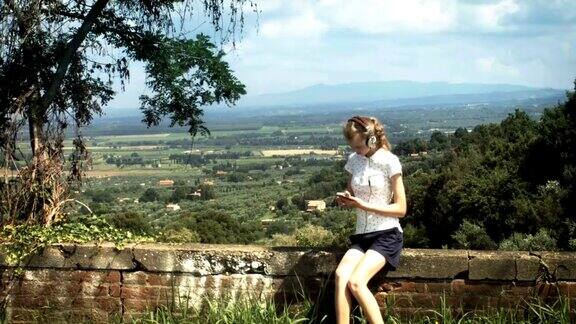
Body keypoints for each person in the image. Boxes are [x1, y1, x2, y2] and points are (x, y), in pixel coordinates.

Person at [334, 115, 407, 324]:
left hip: (387, 234)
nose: (355, 151)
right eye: (353, 146)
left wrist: (362, 205)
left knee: (356, 282)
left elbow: (401, 208)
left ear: (371, 140)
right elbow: (351, 190)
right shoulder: (353, 161)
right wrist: (345, 198)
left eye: (358, 146)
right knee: (341, 277)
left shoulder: (390, 161)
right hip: (362, 235)